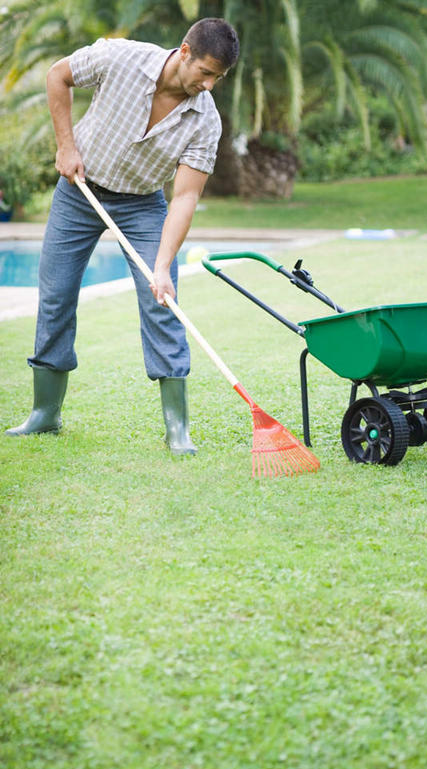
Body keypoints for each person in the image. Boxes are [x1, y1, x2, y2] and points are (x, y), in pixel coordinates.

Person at [6, 18, 239, 455]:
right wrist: (66, 145)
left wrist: (164, 265)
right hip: (80, 190)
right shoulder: (122, 58)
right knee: (56, 293)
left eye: (218, 78)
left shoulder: (205, 121)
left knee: (163, 302)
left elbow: (185, 197)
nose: (209, 85)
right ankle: (45, 412)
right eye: (206, 72)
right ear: (184, 52)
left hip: (141, 204)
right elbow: (58, 75)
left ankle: (177, 428)